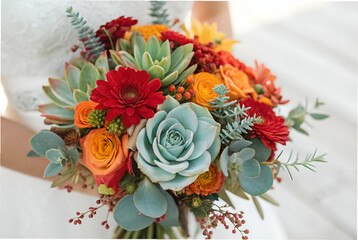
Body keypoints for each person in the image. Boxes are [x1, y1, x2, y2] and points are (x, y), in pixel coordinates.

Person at [1, 1, 285, 238]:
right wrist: (96, 178)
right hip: (46, 167)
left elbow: (212, 12)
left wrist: (216, 96)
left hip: (190, 115)